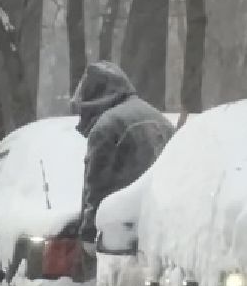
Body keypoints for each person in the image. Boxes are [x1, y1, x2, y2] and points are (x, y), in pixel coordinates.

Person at [69, 61, 176, 240]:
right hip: (163, 227)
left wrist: (88, 235)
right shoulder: (160, 119)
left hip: (121, 234)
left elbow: (96, 188)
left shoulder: (106, 127)